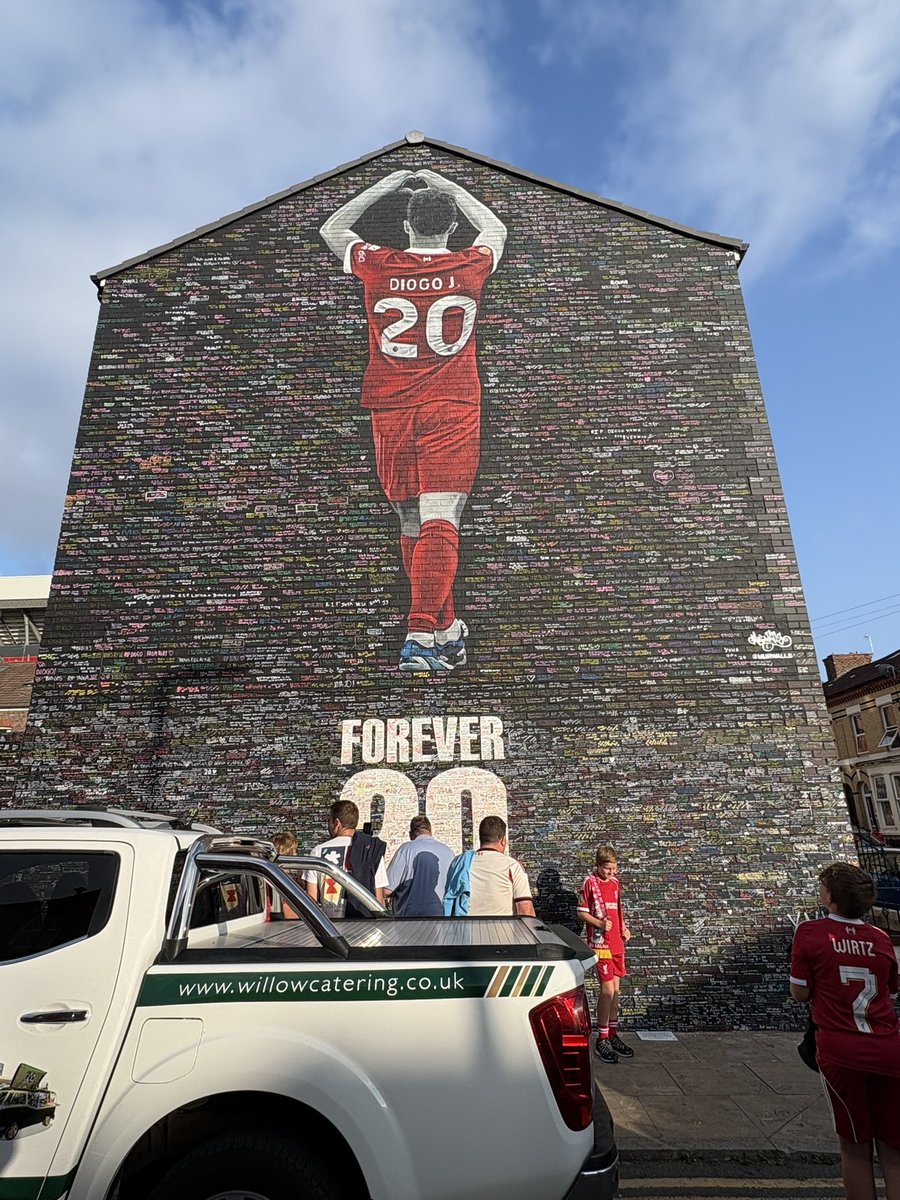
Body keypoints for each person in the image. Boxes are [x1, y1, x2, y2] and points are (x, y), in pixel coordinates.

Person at [320, 167, 507, 672]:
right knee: (441, 517)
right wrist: (446, 185)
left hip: (389, 405)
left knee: (411, 519)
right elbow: (497, 228)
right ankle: (422, 633)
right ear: (448, 228)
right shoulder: (470, 265)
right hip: (450, 402)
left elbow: (332, 229)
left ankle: (443, 629)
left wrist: (391, 183)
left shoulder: (380, 264)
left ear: (406, 227)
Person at [790, 862, 900, 1200]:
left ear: (831, 898)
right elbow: (891, 990)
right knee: (894, 1147)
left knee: (854, 1146)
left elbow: (800, 992)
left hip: (841, 1049)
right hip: (888, 1048)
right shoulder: (880, 938)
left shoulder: (809, 932)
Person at [578, 845, 634, 1064]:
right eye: (607, 868)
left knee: (617, 991)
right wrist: (600, 923)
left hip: (617, 942)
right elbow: (581, 912)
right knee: (607, 991)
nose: (611, 872)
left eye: (614, 868)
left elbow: (618, 910)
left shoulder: (616, 883)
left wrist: (624, 928)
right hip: (601, 943)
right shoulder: (590, 883)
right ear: (598, 866)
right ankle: (601, 1038)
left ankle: (612, 1033)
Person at [302, 800, 388, 918]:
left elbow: (311, 900)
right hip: (364, 923)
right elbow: (379, 897)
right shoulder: (370, 850)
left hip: (331, 926)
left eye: (329, 821)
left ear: (337, 823)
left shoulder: (318, 851)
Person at [445, 815, 535, 917]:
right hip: (503, 931)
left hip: (465, 931)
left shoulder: (458, 864)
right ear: (503, 840)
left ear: (480, 838)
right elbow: (526, 911)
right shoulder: (512, 866)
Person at [386, 815, 455, 917]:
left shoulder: (406, 849)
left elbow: (387, 889)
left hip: (409, 920)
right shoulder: (448, 852)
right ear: (430, 831)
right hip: (442, 919)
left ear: (411, 834)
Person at [270, 829, 299, 920]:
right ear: (285, 852)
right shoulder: (279, 879)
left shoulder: (288, 876)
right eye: (293, 851)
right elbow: (288, 911)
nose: (296, 854)